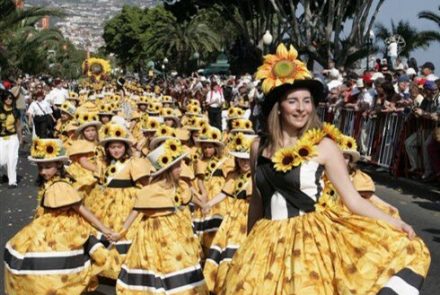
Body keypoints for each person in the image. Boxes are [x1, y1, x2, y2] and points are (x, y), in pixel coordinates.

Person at [221, 44, 430, 294]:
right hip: (265, 242)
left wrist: (394, 223)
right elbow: (257, 200)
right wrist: (249, 244)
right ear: (278, 107)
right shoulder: (258, 147)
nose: (301, 108)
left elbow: (352, 199)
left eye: (307, 101)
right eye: (293, 101)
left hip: (309, 241)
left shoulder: (325, 146)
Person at [4, 138, 112, 294]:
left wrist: (103, 228)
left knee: (58, 262)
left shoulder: (61, 185)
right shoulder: (51, 182)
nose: (43, 172)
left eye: (48, 167)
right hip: (46, 225)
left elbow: (81, 208)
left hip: (64, 229)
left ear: (59, 165)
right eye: (40, 167)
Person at [110, 139, 208, 294]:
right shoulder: (150, 190)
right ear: (167, 169)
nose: (180, 170)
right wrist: (121, 232)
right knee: (154, 265)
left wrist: (203, 205)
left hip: (176, 233)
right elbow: (135, 211)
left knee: (178, 264)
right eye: (176, 166)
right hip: (152, 234)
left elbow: (189, 197)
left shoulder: (179, 186)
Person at [203, 133, 255, 293]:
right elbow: (224, 193)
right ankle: (224, 282)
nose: (244, 162)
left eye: (247, 159)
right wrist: (209, 204)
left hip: (248, 216)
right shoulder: (234, 175)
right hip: (232, 217)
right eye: (241, 159)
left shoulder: (257, 176)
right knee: (225, 247)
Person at [0, 90, 22, 188]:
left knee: (12, 159)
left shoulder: (15, 111)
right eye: (7, 98)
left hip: (13, 138)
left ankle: (12, 181)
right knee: (2, 160)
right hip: (1, 138)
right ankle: (6, 175)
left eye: (11, 98)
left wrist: (20, 138)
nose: (9, 100)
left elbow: (18, 126)